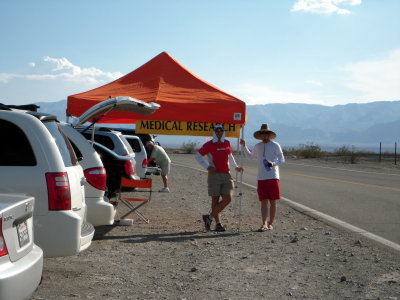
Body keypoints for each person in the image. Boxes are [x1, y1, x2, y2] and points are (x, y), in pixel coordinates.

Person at [196, 124, 243, 232]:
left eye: (220, 130)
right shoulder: (209, 144)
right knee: (215, 200)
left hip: (226, 175)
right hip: (214, 175)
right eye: (217, 131)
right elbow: (198, 156)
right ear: (214, 132)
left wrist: (236, 167)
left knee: (228, 199)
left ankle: (209, 217)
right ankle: (218, 224)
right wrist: (207, 167)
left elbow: (229, 156)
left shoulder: (227, 143)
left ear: (223, 132)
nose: (219, 132)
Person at [240, 124, 285, 231]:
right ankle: (264, 223)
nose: (265, 135)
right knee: (263, 201)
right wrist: (244, 146)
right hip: (261, 178)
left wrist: (273, 163)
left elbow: (282, 159)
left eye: (266, 133)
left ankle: (271, 223)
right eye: (263, 133)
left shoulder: (275, 145)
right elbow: (250, 156)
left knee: (273, 201)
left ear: (269, 134)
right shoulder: (257, 146)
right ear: (260, 135)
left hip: (273, 176)